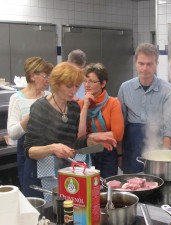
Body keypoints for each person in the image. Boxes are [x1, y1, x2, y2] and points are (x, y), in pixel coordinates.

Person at [23, 62, 116, 200]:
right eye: (69, 86)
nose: (73, 90)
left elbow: (73, 144)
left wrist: (90, 141)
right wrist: (53, 148)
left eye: (76, 86)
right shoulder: (40, 108)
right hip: (39, 177)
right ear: (56, 83)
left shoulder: (73, 107)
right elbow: (29, 151)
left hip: (64, 173)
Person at [117, 43, 171, 173]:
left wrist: (164, 156)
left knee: (156, 183)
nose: (145, 68)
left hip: (157, 143)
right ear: (135, 63)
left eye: (149, 64)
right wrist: (120, 154)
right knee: (132, 184)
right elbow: (120, 125)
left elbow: (169, 127)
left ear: (156, 64)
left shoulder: (167, 90)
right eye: (141, 63)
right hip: (132, 143)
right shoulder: (125, 88)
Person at [7, 57, 53, 191]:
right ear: (32, 76)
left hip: (49, 151)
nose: (47, 80)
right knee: (32, 193)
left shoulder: (48, 95)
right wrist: (31, 115)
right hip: (28, 151)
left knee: (51, 192)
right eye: (45, 76)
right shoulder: (17, 99)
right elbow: (13, 133)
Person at [78, 63, 124, 178]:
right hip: (86, 152)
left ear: (103, 83)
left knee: (106, 187)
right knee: (87, 189)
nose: (87, 85)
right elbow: (79, 136)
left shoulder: (113, 103)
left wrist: (91, 135)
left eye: (92, 81)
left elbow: (117, 135)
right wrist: (85, 106)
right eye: (85, 81)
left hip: (107, 153)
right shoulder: (80, 104)